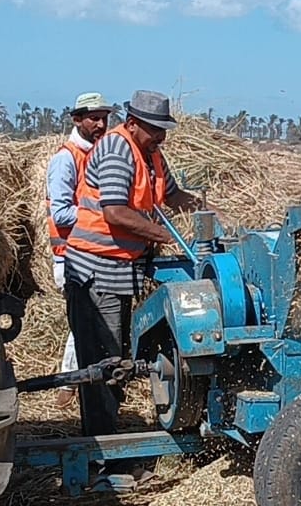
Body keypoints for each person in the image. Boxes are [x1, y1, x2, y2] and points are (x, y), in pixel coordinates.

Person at [63, 89, 202, 480]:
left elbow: (172, 195)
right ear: (133, 123)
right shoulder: (115, 150)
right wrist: (164, 235)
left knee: (116, 359)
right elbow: (115, 212)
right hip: (95, 271)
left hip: (121, 272)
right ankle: (105, 461)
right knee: (103, 365)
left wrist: (206, 210)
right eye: (156, 129)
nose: (162, 136)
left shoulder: (151, 153)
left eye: (164, 129)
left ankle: (110, 446)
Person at [45, 92, 112, 408]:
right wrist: (105, 213)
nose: (101, 124)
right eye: (93, 118)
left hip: (93, 253)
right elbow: (60, 213)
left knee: (88, 322)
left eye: (104, 118)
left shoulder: (98, 155)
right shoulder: (66, 159)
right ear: (76, 119)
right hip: (71, 256)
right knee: (83, 323)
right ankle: (71, 383)